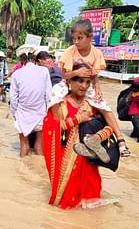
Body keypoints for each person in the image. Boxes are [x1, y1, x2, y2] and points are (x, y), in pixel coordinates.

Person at [53, 18, 130, 157]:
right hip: (69, 83)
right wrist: (76, 73)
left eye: (80, 38)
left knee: (104, 107)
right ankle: (59, 132)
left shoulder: (96, 53)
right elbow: (64, 75)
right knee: (53, 98)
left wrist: (98, 88)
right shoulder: (70, 51)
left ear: (90, 37)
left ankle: (120, 140)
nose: (76, 42)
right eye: (74, 38)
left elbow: (94, 75)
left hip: (86, 85)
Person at [43, 73, 117, 209]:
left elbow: (107, 125)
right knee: (67, 204)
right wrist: (77, 119)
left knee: (91, 201)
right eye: (80, 81)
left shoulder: (93, 103)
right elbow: (50, 128)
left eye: (88, 82)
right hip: (67, 158)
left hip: (87, 158)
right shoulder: (60, 103)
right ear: (69, 81)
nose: (84, 86)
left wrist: (99, 137)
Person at [10, 51, 52, 156]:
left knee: (24, 146)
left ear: (21, 60)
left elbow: (13, 99)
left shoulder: (16, 74)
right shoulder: (44, 71)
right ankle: (38, 169)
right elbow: (48, 95)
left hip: (22, 114)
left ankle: (21, 169)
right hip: (40, 113)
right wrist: (48, 112)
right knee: (39, 147)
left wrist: (15, 115)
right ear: (34, 58)